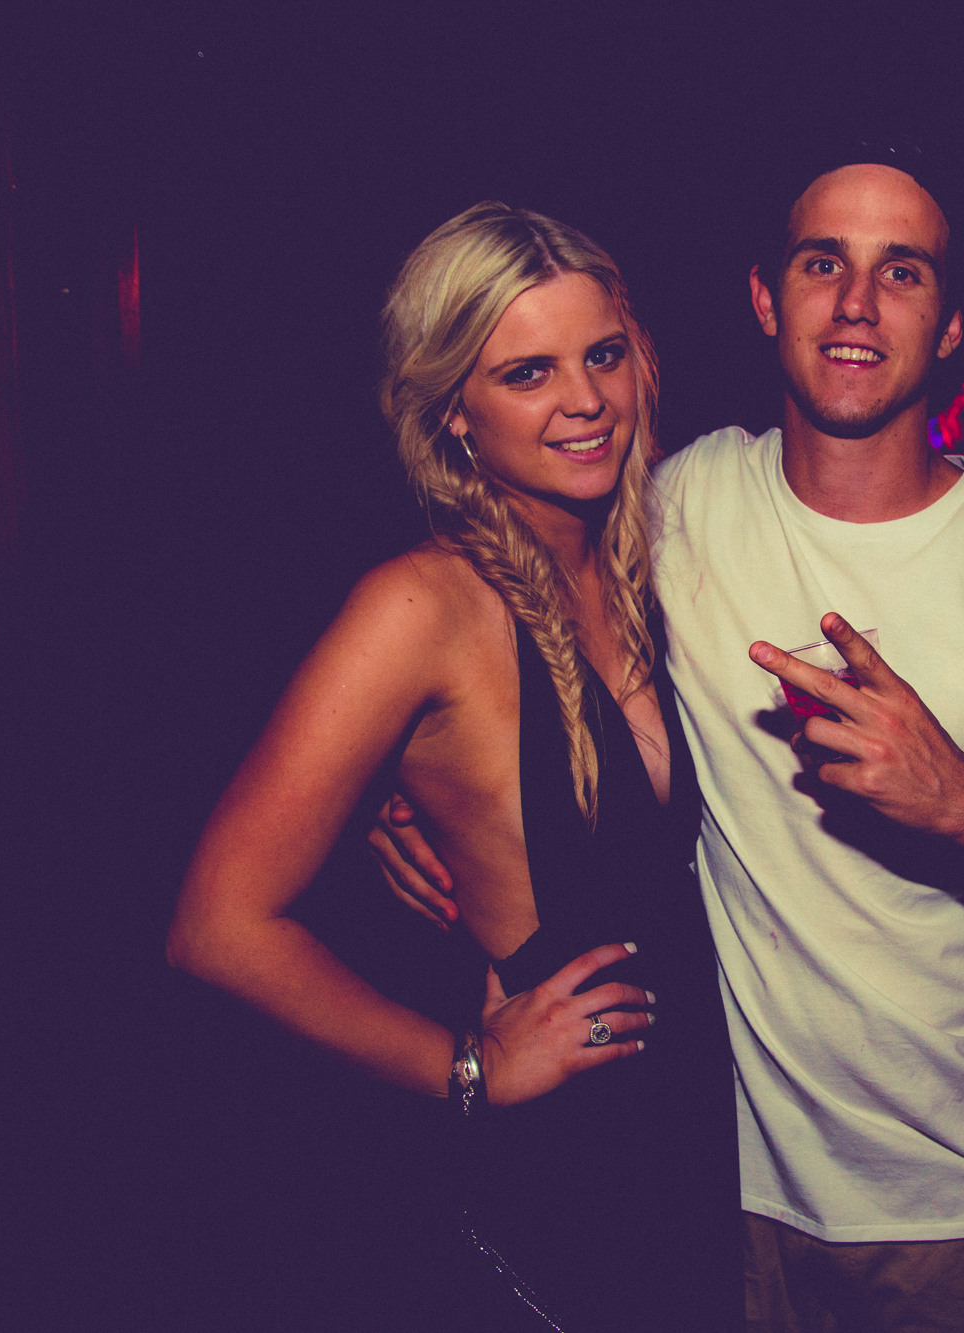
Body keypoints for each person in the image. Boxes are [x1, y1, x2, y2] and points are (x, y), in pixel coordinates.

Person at [377, 142, 964, 1333]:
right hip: (708, 1186)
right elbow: (491, 649)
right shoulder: (672, 507)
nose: (856, 303)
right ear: (763, 297)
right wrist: (405, 793)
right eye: (821, 263)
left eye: (902, 271)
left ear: (951, 324)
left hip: (938, 1204)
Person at [167, 203, 739, 1332]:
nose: (584, 399)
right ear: (454, 414)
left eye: (602, 356)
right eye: (527, 373)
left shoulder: (652, 560)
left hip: (697, 1131)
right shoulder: (418, 606)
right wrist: (464, 1066)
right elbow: (216, 926)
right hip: (566, 1168)